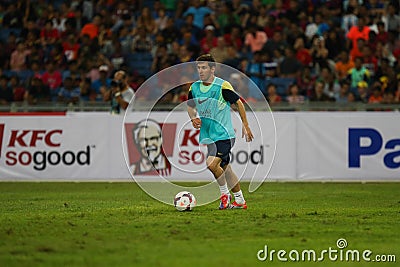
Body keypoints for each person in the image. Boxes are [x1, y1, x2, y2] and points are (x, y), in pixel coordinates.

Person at [187, 54, 254, 210]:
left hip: (224, 135)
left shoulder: (222, 86)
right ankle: (240, 201)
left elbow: (238, 103)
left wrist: (246, 124)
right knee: (225, 168)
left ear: (212, 69)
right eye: (198, 68)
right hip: (208, 136)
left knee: (211, 164)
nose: (201, 71)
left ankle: (225, 196)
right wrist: (192, 118)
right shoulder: (194, 87)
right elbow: (190, 106)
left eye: (204, 67)